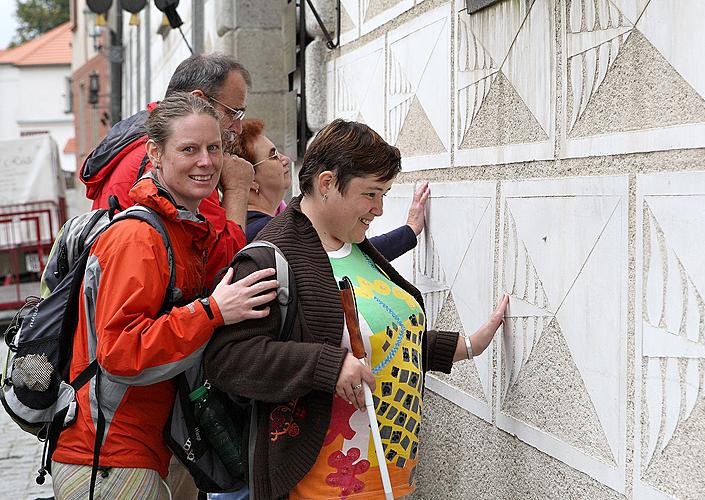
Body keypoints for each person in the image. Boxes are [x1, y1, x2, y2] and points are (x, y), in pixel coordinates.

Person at [204, 119, 508, 500]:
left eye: (384, 194)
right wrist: (327, 366)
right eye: (371, 194)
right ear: (327, 183)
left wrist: (465, 346)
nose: (379, 209)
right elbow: (228, 359)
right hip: (321, 485)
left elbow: (373, 339)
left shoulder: (355, 245)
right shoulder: (272, 256)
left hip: (389, 476)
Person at [51, 94, 279, 500]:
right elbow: (120, 352)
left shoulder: (179, 228)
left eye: (213, 148)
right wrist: (212, 312)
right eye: (189, 149)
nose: (206, 162)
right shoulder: (139, 238)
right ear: (155, 154)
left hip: (131, 454)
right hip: (108, 460)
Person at [80, 53, 254, 287]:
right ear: (199, 101)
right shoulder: (178, 164)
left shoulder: (145, 142)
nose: (239, 127)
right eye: (233, 113)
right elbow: (218, 266)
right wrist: (238, 189)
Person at [232, 118, 431, 260]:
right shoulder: (269, 236)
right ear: (326, 184)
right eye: (273, 155)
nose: (285, 159)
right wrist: (409, 231)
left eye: (383, 194)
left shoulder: (282, 218)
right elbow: (348, 258)